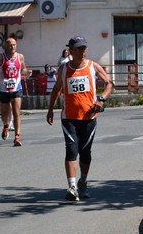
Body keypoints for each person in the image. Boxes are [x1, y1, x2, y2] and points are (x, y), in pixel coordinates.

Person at [46, 36, 114, 202]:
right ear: (71, 51)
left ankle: (83, 182)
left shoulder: (92, 66)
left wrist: (101, 99)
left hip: (89, 117)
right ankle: (72, 186)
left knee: (85, 153)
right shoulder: (63, 69)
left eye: (85, 48)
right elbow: (56, 90)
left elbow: (109, 83)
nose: (83, 51)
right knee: (71, 149)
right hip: (69, 118)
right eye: (79, 48)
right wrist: (50, 110)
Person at [0, 37, 29, 147]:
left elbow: (23, 68)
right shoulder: (1, 57)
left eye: (13, 44)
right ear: (5, 46)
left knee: (17, 112)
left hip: (17, 88)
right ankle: (6, 126)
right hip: (4, 88)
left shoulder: (20, 56)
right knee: (5, 113)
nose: (12, 47)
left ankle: (17, 136)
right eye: (9, 45)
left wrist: (27, 72)